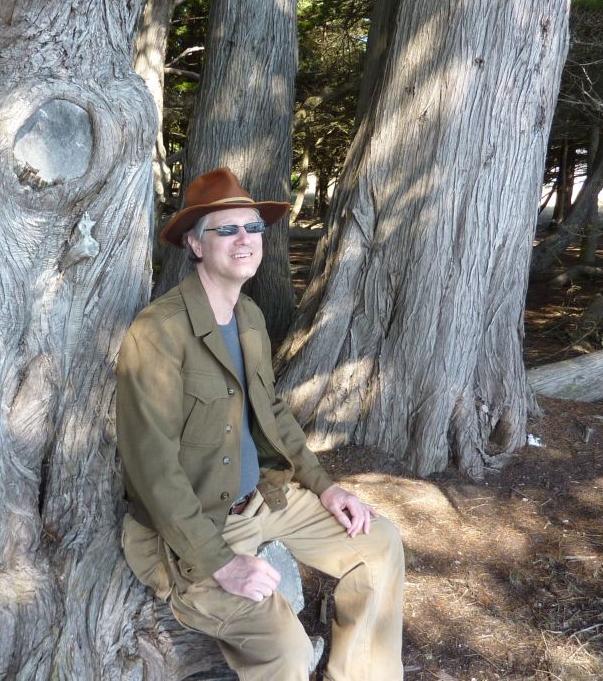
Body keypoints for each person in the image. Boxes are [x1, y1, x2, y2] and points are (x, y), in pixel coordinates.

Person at [116, 167, 404, 681]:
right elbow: (151, 468)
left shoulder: (248, 316)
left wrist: (325, 485)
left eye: (253, 228)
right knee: (288, 655)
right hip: (196, 529)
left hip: (262, 501)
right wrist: (220, 562)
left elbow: (270, 413)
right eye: (226, 229)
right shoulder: (158, 331)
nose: (245, 239)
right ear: (196, 246)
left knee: (379, 544)